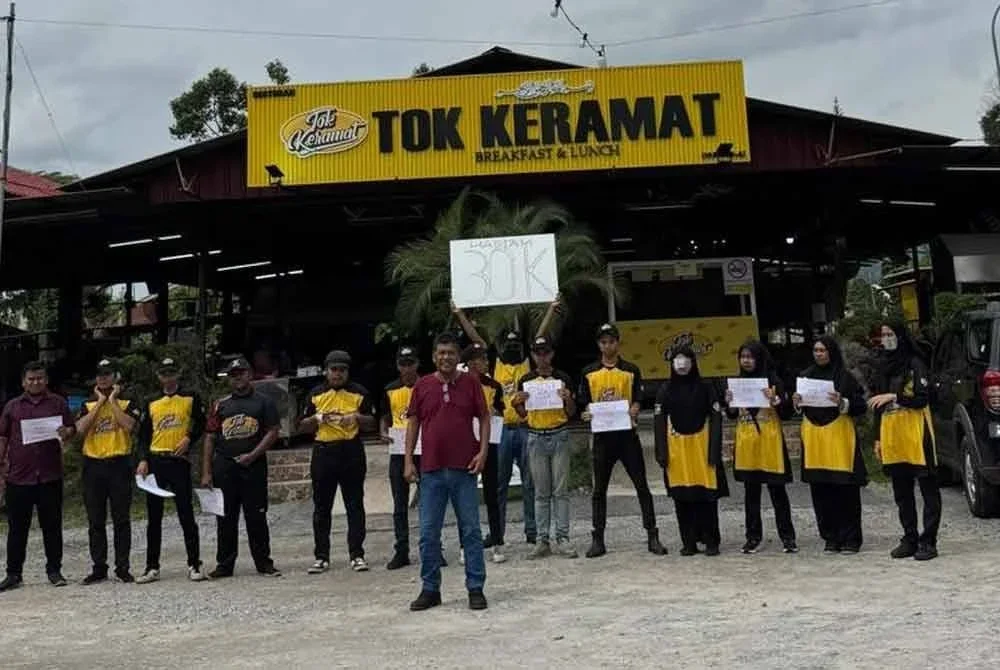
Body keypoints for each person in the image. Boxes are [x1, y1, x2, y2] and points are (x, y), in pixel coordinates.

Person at [452, 298, 560, 546]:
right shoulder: (495, 364)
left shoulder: (527, 364)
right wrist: (459, 315)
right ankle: (497, 532)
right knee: (499, 483)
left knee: (530, 483)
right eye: (508, 344)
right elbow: (477, 342)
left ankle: (532, 530)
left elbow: (539, 337)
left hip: (525, 428)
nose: (512, 347)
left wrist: (551, 311)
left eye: (516, 344)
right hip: (500, 431)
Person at [405, 332, 490, 612]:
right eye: (441, 353)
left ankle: (475, 587)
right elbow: (413, 423)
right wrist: (408, 460)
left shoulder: (471, 383)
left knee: (471, 531)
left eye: (451, 352)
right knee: (428, 533)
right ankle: (430, 588)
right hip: (431, 469)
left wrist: (483, 451)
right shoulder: (422, 386)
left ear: (458, 357)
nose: (446, 357)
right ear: (434, 357)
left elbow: (484, 416)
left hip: (464, 468)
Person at [579, 323, 668, 558]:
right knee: (599, 490)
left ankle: (652, 535)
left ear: (618, 343)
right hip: (602, 439)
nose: (608, 346)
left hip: (627, 437)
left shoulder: (631, 370)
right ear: (599, 345)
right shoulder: (589, 372)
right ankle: (598, 538)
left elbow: (638, 398)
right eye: (603, 342)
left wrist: (635, 408)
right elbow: (584, 403)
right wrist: (586, 413)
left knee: (642, 486)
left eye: (611, 341)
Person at [201, 358, 282, 578]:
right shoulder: (220, 405)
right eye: (233, 374)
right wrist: (206, 471)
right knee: (225, 517)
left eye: (241, 373)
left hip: (253, 466)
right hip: (225, 466)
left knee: (256, 516)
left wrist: (253, 455)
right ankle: (224, 565)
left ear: (250, 374)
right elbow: (210, 437)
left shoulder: (264, 402)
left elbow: (273, 431)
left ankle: (264, 563)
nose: (238, 378)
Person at [0, 362, 76, 592]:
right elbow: (3, 436)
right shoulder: (12, 406)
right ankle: (13, 574)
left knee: (52, 526)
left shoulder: (58, 403)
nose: (36, 382)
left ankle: (54, 570)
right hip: (19, 476)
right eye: (31, 379)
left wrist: (67, 432)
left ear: (46, 380)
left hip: (49, 475)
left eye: (40, 378)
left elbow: (71, 429)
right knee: (17, 528)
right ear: (23, 382)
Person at [299, 350, 375, 574]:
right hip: (324, 451)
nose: (338, 374)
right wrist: (317, 418)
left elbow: (372, 422)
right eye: (334, 370)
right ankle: (321, 556)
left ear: (348, 372)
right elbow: (300, 425)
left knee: (355, 504)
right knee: (322, 506)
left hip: (351, 450)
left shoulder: (359, 392)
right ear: (326, 371)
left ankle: (357, 554)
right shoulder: (315, 394)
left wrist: (356, 418)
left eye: (342, 370)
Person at [870, 322, 940, 561]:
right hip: (892, 433)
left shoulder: (915, 364)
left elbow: (922, 398)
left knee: (928, 488)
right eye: (883, 335)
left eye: (890, 334)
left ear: (901, 336)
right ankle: (909, 538)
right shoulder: (883, 366)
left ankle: (928, 541)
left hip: (917, 432)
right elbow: (877, 405)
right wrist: (877, 437)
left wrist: (895, 396)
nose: (886, 338)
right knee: (901, 491)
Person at [135, 357, 208, 584]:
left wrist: (189, 438)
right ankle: (152, 566)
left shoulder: (190, 397)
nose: (168, 378)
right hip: (156, 460)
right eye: (164, 374)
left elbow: (202, 422)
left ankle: (194, 563)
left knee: (186, 513)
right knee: (154, 516)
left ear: (178, 374)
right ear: (159, 376)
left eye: (171, 373)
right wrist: (143, 459)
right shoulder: (151, 401)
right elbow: (143, 434)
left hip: (178, 460)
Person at [793, 336, 868, 554]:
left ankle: (851, 538)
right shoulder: (806, 376)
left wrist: (842, 402)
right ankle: (830, 536)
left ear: (831, 352)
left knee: (845, 489)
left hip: (839, 437)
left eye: (823, 350)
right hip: (815, 437)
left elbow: (860, 406)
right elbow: (796, 408)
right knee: (820, 489)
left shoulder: (844, 377)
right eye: (816, 350)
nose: (819, 354)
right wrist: (796, 403)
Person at [724, 341, 798, 554]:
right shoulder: (737, 383)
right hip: (747, 443)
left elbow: (786, 413)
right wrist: (729, 402)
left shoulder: (773, 381)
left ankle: (788, 537)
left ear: (759, 358)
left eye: (750, 357)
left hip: (770, 441)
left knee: (778, 491)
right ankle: (753, 537)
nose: (746, 361)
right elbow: (732, 414)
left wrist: (775, 399)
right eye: (743, 357)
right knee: (751, 494)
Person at [654, 346, 728, 556]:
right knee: (682, 497)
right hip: (677, 450)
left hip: (701, 448)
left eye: (685, 358)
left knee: (706, 497)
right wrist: (661, 452)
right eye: (677, 359)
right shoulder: (665, 390)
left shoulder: (706, 387)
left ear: (693, 362)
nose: (681, 363)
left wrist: (714, 451)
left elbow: (716, 418)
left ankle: (711, 541)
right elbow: (659, 422)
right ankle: (689, 542)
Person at [75, 359, 142, 584]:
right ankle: (99, 567)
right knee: (96, 520)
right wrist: (100, 402)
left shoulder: (127, 402)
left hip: (119, 463)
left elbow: (130, 426)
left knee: (121, 518)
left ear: (115, 377)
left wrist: (112, 400)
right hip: (93, 464)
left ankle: (122, 567)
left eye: (107, 374)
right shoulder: (87, 404)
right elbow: (80, 429)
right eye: (99, 375)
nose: (103, 378)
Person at [512, 335, 577, 559]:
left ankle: (563, 537)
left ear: (552, 354)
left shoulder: (563, 378)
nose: (542, 357)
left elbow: (571, 412)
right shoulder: (526, 380)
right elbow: (524, 414)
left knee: (560, 490)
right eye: (538, 353)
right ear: (533, 355)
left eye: (545, 352)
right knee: (540, 492)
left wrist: (568, 399)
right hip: (536, 435)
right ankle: (542, 540)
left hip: (559, 434)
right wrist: (517, 404)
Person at [460, 342, 506, 564]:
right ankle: (465, 545)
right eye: (482, 359)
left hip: (489, 443)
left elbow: (501, 412)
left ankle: (497, 542)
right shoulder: (458, 384)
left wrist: (495, 412)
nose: (486, 363)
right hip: (465, 444)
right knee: (465, 496)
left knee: (491, 494)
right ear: (470, 363)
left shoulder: (494, 386)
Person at [381, 345, 422, 570]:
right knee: (399, 504)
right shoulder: (390, 389)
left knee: (429, 501)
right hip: (398, 450)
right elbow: (385, 416)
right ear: (398, 366)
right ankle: (402, 549)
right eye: (403, 364)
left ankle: (433, 547)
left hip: (424, 449)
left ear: (417, 364)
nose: (407, 368)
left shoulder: (426, 385)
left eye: (410, 363)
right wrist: (383, 431)